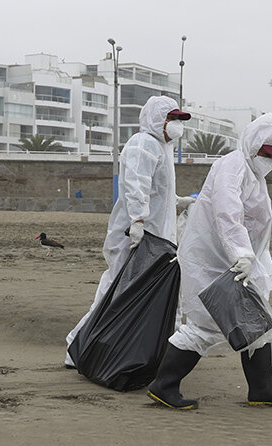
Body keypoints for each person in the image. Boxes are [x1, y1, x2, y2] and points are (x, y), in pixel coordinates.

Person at [147, 113, 272, 410]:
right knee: (207, 324)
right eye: (268, 154)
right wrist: (241, 253)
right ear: (254, 144)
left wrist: (249, 257)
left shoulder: (253, 173)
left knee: (254, 319)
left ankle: (262, 387)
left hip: (235, 260)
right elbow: (227, 214)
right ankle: (163, 385)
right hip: (213, 260)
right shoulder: (233, 166)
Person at [65, 95, 190, 366]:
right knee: (115, 290)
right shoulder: (143, 144)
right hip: (136, 237)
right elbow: (136, 185)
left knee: (146, 292)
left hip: (155, 238)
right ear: (157, 119)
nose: (177, 125)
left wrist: (178, 201)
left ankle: (158, 351)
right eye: (172, 118)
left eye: (179, 119)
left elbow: (157, 190)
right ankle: (78, 346)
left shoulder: (161, 148)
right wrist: (137, 221)